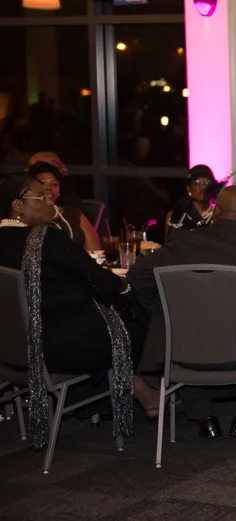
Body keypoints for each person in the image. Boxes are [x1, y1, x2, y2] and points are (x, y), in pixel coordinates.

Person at [0, 174, 159, 451]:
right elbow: (98, 280)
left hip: (12, 348)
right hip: (56, 349)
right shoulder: (47, 238)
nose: (50, 202)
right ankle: (141, 391)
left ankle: (128, 391)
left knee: (102, 320)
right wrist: (124, 286)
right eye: (41, 197)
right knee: (141, 324)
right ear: (17, 206)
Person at [128, 186, 236, 439]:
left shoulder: (184, 241)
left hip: (186, 345)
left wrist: (162, 311)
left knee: (174, 339)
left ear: (216, 212)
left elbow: (137, 275)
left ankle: (205, 416)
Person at [27, 161, 100, 251]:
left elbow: (95, 252)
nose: (49, 188)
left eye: (54, 184)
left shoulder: (74, 214)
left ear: (59, 192)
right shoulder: (25, 217)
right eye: (43, 183)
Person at [164, 165, 225, 242]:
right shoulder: (175, 216)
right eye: (197, 183)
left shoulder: (219, 215)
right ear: (188, 188)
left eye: (207, 183)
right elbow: (167, 245)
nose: (202, 187)